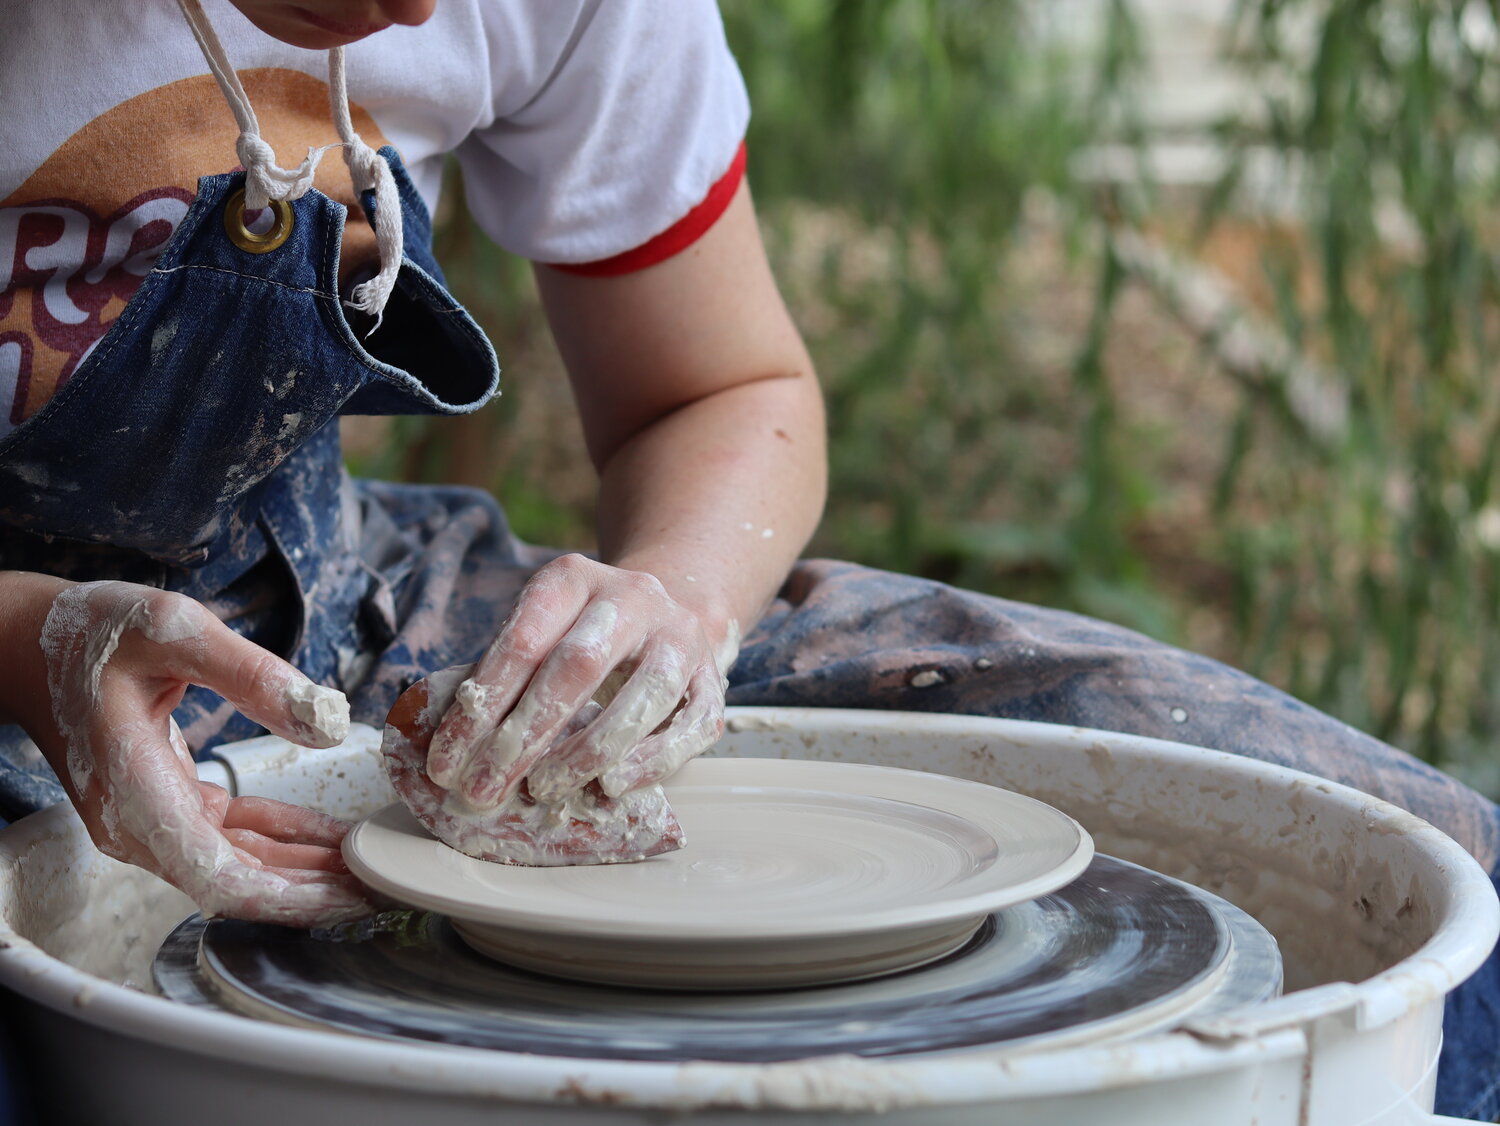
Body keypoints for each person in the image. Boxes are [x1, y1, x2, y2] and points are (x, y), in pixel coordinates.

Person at [1, 0, 1498, 1118]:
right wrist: (34, 640)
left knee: (1411, 861)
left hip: (331, 587)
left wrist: (676, 600)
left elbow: (719, 392)